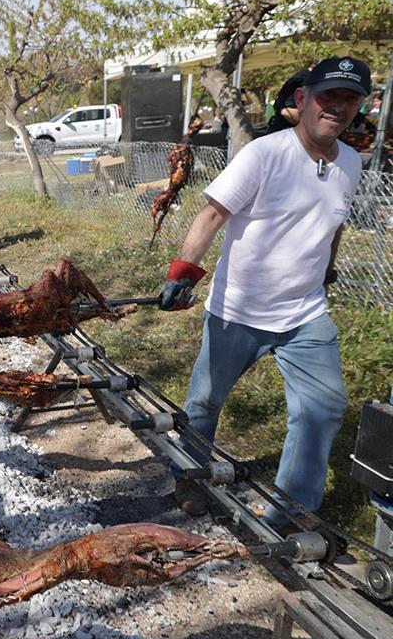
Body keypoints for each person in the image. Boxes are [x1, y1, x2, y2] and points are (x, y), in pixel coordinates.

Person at [158, 56, 371, 530]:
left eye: (349, 99)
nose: (337, 107)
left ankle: (292, 515)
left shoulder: (352, 162)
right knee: (204, 404)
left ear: (359, 106)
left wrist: (328, 272)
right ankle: (190, 476)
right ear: (303, 99)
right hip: (238, 310)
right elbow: (212, 214)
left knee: (323, 408)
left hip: (304, 314)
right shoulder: (263, 154)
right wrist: (183, 274)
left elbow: (333, 225)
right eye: (327, 96)